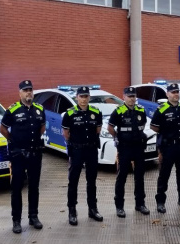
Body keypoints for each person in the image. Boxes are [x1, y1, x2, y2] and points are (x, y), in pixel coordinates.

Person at [0, 80, 46, 234]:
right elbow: (3, 129)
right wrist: (14, 140)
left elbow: (42, 127)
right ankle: (16, 220)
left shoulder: (39, 109)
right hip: (18, 155)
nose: (28, 93)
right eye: (25, 90)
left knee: (34, 186)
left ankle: (33, 216)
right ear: (20, 93)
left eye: (30, 90)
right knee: (17, 187)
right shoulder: (12, 110)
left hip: (35, 154)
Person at [62, 86, 104, 225]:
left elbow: (97, 130)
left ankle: (93, 209)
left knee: (91, 181)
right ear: (76, 97)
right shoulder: (69, 114)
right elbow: (66, 134)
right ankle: (72, 211)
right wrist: (75, 146)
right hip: (77, 151)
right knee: (73, 181)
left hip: (91, 150)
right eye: (81, 96)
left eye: (86, 96)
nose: (84, 99)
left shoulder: (96, 112)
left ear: (89, 97)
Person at [152, 83, 180, 213]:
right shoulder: (161, 109)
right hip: (168, 147)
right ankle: (160, 202)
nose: (176, 94)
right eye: (173, 92)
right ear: (167, 94)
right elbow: (154, 126)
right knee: (164, 175)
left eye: (177, 92)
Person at [107, 86, 150, 218]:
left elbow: (143, 124)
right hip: (125, 148)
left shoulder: (140, 110)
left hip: (138, 147)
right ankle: (119, 206)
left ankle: (140, 204)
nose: (132, 98)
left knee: (139, 176)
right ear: (124, 97)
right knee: (122, 177)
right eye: (129, 96)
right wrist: (117, 138)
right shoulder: (118, 111)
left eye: (133, 96)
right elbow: (110, 127)